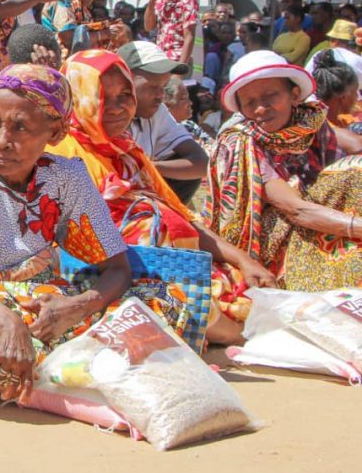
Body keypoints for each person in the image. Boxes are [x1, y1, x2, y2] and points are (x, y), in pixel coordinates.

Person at [0, 63, 189, 399]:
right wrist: (8, 323)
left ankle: (43, 365)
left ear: (55, 133)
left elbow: (117, 268)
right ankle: (73, 363)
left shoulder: (66, 176)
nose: (1, 142)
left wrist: (77, 307)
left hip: (45, 306)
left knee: (165, 300)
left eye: (20, 128)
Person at [46, 50, 273, 341]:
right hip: (103, 278)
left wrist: (243, 260)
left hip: (156, 264)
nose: (116, 108)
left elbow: (179, 216)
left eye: (124, 96)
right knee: (145, 224)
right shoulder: (60, 153)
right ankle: (228, 332)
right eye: (103, 96)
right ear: (77, 98)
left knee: (240, 282)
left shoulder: (126, 152)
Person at [207, 50, 362, 292]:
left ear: (295, 94)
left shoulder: (311, 122)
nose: (260, 108)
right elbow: (295, 209)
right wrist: (357, 227)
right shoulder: (240, 142)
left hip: (319, 216)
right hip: (273, 236)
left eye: (270, 96)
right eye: (249, 103)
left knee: (353, 173)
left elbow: (341, 168)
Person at [119, 42, 209, 204]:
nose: (160, 95)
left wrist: (149, 167)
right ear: (125, 81)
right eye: (152, 86)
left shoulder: (156, 111)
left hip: (136, 199)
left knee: (186, 177)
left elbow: (201, 163)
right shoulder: (105, 117)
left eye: (163, 86)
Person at [311, 50, 360, 131]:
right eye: (355, 91)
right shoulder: (321, 133)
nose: (357, 96)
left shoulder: (345, 122)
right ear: (344, 96)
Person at [164, 76, 213, 152]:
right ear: (167, 103)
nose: (190, 103)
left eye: (189, 98)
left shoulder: (190, 125)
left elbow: (213, 146)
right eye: (183, 98)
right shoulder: (161, 130)